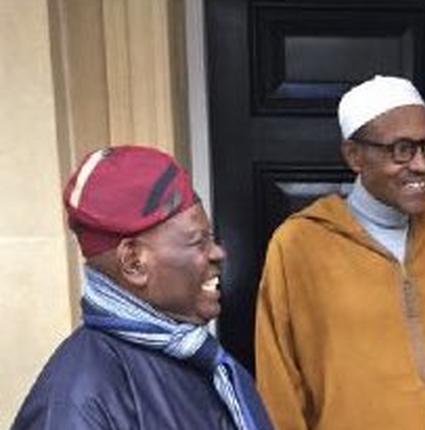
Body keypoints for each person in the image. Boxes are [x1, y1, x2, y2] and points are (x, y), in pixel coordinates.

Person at [254, 75, 425, 429]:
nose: (421, 164)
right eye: (401, 149)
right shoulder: (298, 247)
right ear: (354, 156)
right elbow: (278, 389)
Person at [12, 146, 273, 430]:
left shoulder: (195, 358)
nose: (217, 254)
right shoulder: (77, 403)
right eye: (198, 241)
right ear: (134, 262)